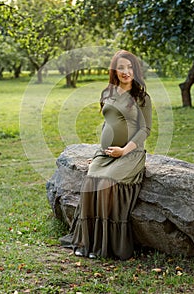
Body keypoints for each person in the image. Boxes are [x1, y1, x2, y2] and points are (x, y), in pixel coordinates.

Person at [60, 50, 152, 260]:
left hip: (130, 153)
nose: (125, 71)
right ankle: (88, 243)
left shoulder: (141, 97)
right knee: (91, 180)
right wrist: (99, 152)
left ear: (135, 70)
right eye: (121, 67)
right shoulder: (107, 93)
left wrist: (123, 150)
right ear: (115, 70)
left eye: (129, 67)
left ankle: (106, 245)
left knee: (107, 183)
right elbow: (107, 124)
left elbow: (144, 130)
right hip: (106, 154)